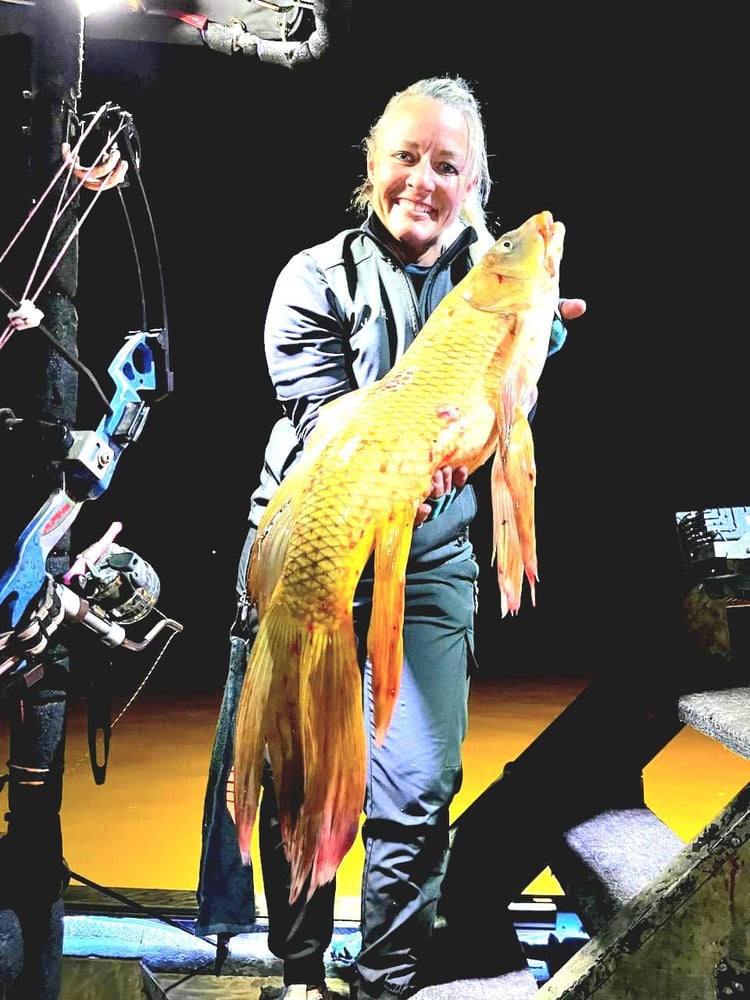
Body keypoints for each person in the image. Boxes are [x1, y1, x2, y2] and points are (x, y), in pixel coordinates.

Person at [196, 74, 586, 1000]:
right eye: (405, 157)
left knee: (416, 784)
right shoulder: (312, 278)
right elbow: (332, 422)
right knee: (303, 771)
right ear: (372, 165)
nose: (422, 179)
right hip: (315, 557)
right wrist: (421, 458)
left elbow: (517, 371)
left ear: (475, 184)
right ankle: (298, 973)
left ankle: (386, 977)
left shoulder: (491, 281)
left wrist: (540, 333)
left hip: (431, 565)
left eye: (446, 165)